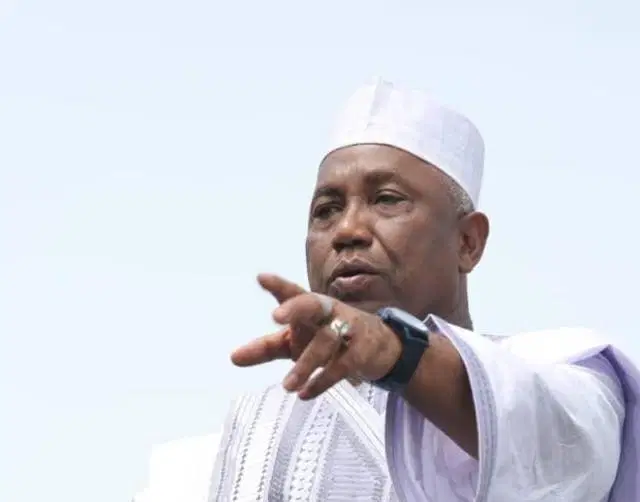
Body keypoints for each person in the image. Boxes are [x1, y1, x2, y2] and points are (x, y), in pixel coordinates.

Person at [133, 78, 639, 502]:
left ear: (467, 241)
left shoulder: (561, 375)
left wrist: (397, 354)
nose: (347, 229)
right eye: (326, 210)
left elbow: (557, 449)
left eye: (387, 200)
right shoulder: (210, 460)